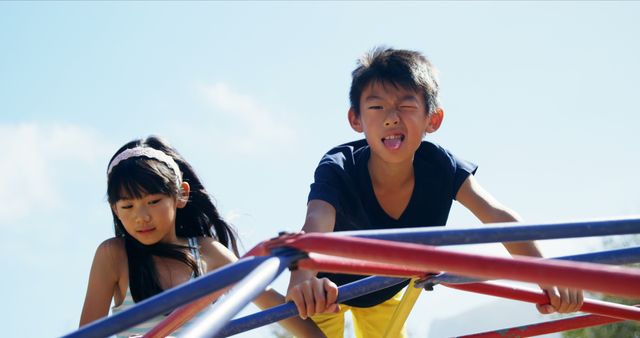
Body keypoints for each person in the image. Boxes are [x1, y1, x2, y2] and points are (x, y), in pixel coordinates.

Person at [285, 47, 584, 338]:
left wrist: (548, 271)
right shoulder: (339, 167)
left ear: (433, 119)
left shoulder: (440, 166)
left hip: (381, 288)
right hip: (322, 290)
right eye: (377, 107)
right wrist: (302, 277)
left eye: (406, 106)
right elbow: (316, 222)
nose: (391, 117)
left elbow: (498, 216)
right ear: (356, 119)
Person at [79, 135, 324, 338]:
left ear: (181, 195)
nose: (141, 216)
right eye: (127, 206)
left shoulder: (207, 252)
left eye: (153, 201)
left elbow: (280, 310)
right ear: (114, 209)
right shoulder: (114, 255)